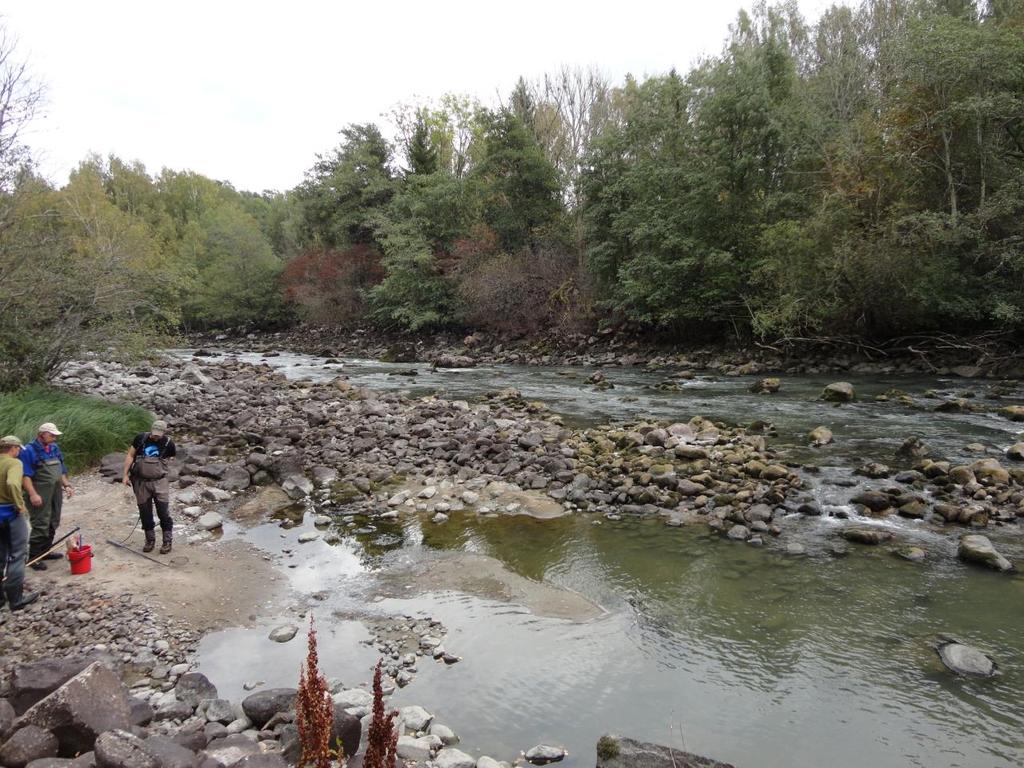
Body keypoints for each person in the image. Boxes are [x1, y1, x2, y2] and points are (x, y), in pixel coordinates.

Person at [21, 422, 74, 571]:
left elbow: (61, 469)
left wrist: (67, 485)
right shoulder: (29, 450)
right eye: (51, 435)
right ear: (41, 434)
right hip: (39, 491)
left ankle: (45, 551)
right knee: (41, 522)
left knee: (54, 519)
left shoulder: (54, 448)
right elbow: (25, 476)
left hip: (55, 489)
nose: (54, 438)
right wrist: (32, 494)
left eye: (55, 435)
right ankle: (34, 557)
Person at [122, 419, 176, 554]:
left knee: (163, 512)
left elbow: (169, 461)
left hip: (160, 482)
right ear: (151, 430)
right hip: (141, 483)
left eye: (158, 434)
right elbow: (130, 455)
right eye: (154, 433)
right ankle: (150, 540)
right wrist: (125, 475)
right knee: (145, 512)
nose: (155, 436)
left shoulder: (169, 444)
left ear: (164, 432)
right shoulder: (140, 439)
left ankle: (167, 541)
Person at [1, 435, 38, 611]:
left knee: (1, 555)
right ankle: (15, 598)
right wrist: (19, 506)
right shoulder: (14, 463)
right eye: (18, 449)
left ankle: (1, 598)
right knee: (17, 554)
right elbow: (12, 484)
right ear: (14, 448)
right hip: (10, 514)